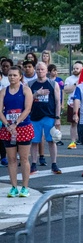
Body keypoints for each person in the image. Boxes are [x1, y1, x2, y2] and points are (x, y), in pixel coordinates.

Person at [1, 66, 34, 197]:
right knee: (11, 159)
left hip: (23, 127)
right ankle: (13, 186)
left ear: (20, 76)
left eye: (15, 75)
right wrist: (8, 124)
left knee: (24, 158)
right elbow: (0, 111)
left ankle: (25, 187)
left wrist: (16, 123)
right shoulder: (3, 91)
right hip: (8, 128)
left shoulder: (26, 90)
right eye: (10, 75)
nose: (12, 78)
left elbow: (27, 109)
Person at [29, 61, 61, 175]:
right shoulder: (30, 84)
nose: (40, 71)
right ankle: (33, 164)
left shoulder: (53, 84)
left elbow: (58, 102)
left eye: (42, 69)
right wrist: (37, 93)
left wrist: (57, 118)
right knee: (34, 142)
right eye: (38, 69)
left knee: (52, 141)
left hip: (49, 116)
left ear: (46, 70)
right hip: (34, 117)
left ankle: (54, 164)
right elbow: (26, 101)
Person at [64, 61, 83, 148]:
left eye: (77, 68)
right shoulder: (69, 79)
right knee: (73, 123)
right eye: (74, 68)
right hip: (71, 103)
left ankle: (82, 139)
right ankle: (73, 141)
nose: (75, 70)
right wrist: (76, 84)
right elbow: (66, 90)